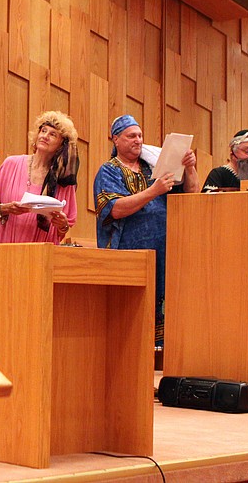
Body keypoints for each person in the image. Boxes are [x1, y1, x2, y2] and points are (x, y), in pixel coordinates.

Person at [93, 114, 199, 348]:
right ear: (116, 140)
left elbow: (192, 196)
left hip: (164, 252)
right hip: (128, 254)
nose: (138, 140)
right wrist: (153, 191)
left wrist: (190, 168)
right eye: (131, 136)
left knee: (166, 305)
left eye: (140, 135)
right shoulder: (109, 171)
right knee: (132, 312)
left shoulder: (154, 166)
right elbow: (115, 209)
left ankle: (163, 359)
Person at [0, 111, 79, 244]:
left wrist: (62, 225)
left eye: (52, 134)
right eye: (43, 131)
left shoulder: (64, 181)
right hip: (3, 242)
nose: (45, 136)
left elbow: (64, 229)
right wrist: (7, 208)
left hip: (39, 248)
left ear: (61, 145)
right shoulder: (10, 164)